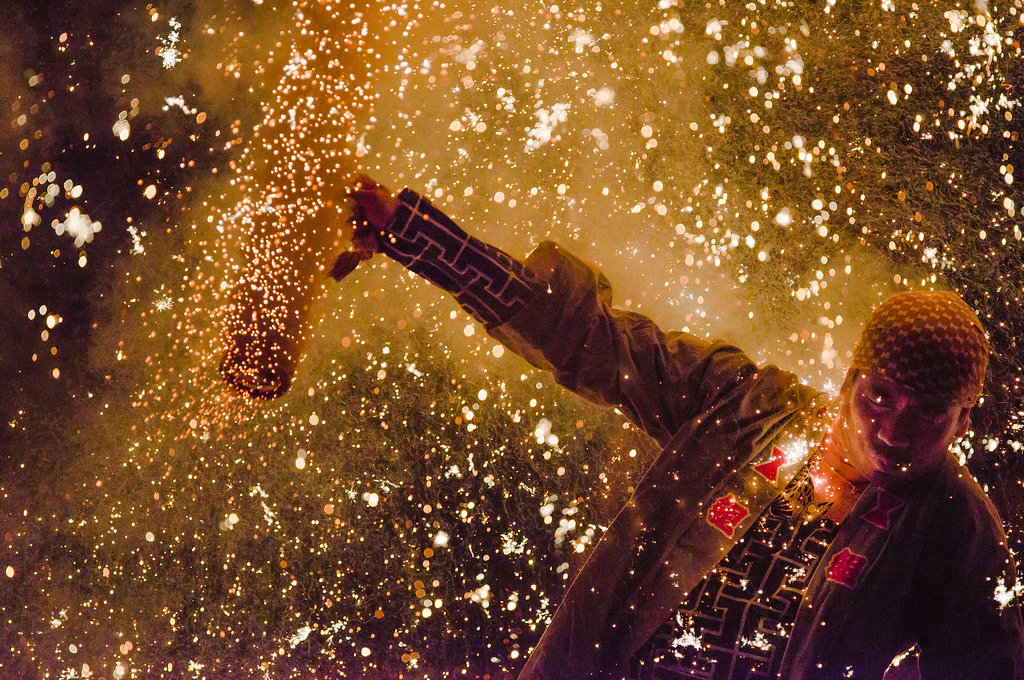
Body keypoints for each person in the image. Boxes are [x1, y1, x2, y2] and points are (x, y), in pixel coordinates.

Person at [336, 176, 1024, 679]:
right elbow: (585, 339)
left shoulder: (959, 533)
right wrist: (415, 232)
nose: (895, 429)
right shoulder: (747, 407)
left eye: (929, 414)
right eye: (881, 397)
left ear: (965, 420)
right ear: (849, 381)